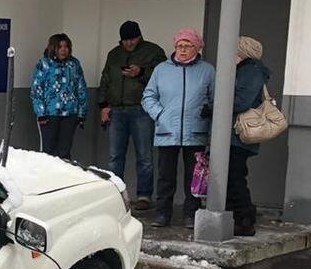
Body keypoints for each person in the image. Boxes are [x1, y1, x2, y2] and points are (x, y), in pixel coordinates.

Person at [141, 28, 216, 228]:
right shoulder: (161, 69)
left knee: (193, 176)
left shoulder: (207, 70)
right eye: (179, 46)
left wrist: (207, 114)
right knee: (166, 176)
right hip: (167, 130)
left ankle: (191, 214)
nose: (182, 50)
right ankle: (162, 213)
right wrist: (159, 114)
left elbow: (215, 98)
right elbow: (148, 96)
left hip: (196, 131)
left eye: (187, 46)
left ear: (197, 47)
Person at [99, 20, 164, 210]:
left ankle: (144, 196)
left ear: (139, 36)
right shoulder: (114, 54)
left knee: (144, 156)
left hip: (142, 110)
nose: (129, 43)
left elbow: (163, 76)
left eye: (132, 39)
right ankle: (115, 194)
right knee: (114, 156)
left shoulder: (153, 51)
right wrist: (103, 105)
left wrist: (141, 72)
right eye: (125, 40)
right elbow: (106, 79)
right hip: (116, 110)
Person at [227, 36, 272, 237]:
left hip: (239, 134)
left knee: (235, 177)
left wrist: (213, 107)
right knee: (233, 176)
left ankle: (244, 219)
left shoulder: (249, 71)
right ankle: (239, 217)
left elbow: (242, 101)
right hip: (234, 133)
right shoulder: (247, 70)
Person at [31, 33, 87, 160]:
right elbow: (37, 89)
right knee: (48, 152)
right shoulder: (44, 64)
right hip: (49, 114)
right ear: (53, 48)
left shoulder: (74, 64)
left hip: (70, 114)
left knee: (65, 152)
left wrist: (82, 113)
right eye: (60, 46)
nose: (63, 49)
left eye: (66, 46)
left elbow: (81, 88)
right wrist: (41, 113)